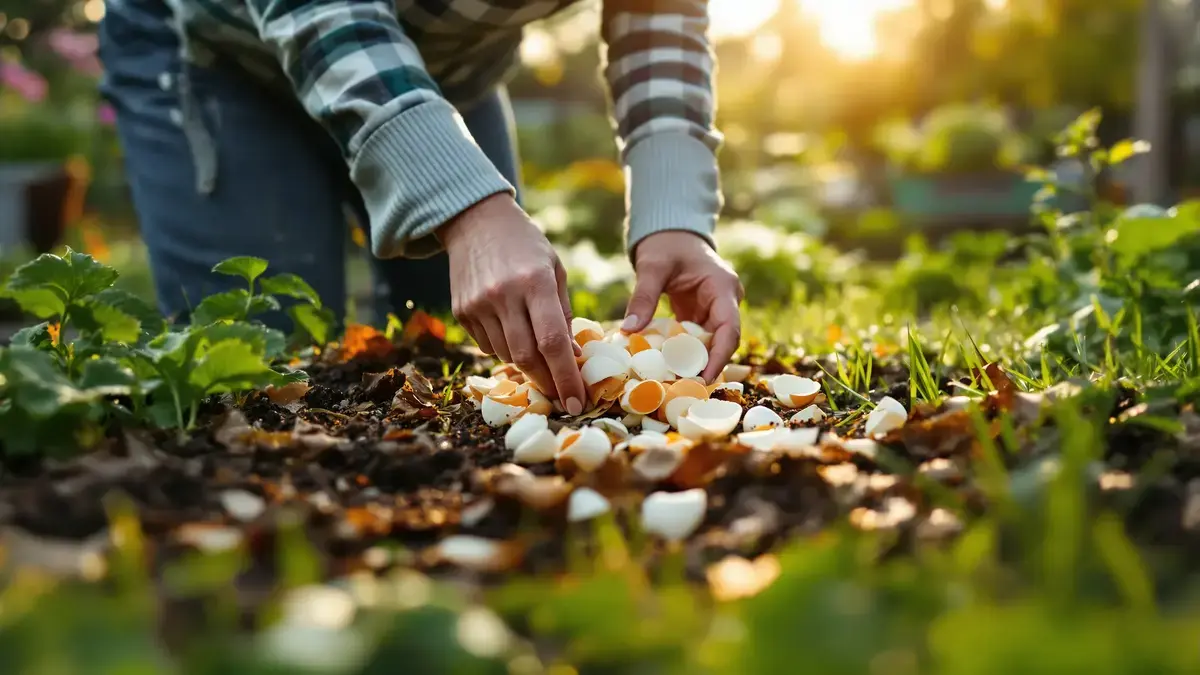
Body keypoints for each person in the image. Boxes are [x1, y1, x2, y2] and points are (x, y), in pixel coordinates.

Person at [97, 0, 743, 417]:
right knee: (261, 369)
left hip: (444, 72)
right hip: (221, 51)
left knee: (463, 339)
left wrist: (675, 212)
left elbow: (659, 11)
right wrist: (466, 207)